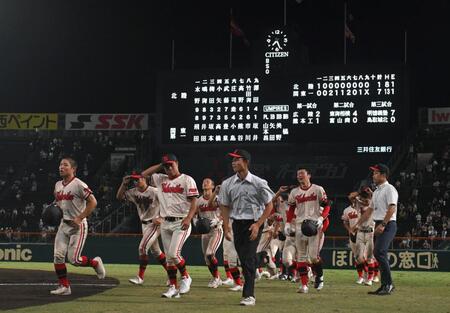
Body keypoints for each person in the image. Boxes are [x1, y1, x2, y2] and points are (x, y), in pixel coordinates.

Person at [219, 149, 274, 306]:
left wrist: (258, 224)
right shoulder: (227, 183)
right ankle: (261, 257)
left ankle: (249, 295)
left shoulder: (259, 183)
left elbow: (269, 205)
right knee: (243, 259)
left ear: (246, 162)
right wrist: (226, 225)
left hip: (253, 223)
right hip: (237, 224)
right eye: (233, 160)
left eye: (237, 159)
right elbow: (224, 205)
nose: (233, 162)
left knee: (248, 260)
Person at [141, 153, 199, 299]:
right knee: (168, 259)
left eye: (170, 165)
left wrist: (189, 218)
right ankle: (173, 287)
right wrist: (161, 165)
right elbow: (143, 175)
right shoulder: (160, 179)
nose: (168, 168)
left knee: (174, 254)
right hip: (165, 222)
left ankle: (186, 277)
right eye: (166, 166)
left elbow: (194, 201)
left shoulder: (187, 180)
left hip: (181, 222)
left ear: (177, 164)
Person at [51, 157, 106, 296]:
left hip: (78, 226)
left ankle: (95, 263)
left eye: (65, 165)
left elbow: (93, 202)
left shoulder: (79, 184)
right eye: (60, 164)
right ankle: (64, 286)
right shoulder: (58, 185)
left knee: (74, 260)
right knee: (58, 256)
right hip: (63, 224)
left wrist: (80, 217)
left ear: (73, 169)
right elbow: (57, 202)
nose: (61, 167)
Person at [284, 168, 330, 294]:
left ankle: (319, 276)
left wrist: (321, 217)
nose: (299, 176)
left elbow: (327, 204)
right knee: (301, 257)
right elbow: (292, 208)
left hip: (314, 224)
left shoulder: (317, 189)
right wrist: (288, 222)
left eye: (302, 174)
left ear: (309, 175)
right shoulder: (294, 192)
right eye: (298, 174)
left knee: (314, 258)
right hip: (299, 225)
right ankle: (304, 285)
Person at [116, 173, 167, 285]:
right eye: (134, 180)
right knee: (157, 252)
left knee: (142, 248)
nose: (136, 182)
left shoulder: (155, 191)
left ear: (145, 179)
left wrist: (162, 217)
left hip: (154, 224)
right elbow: (119, 197)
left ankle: (140, 277)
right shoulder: (133, 191)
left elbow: (167, 204)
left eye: (138, 179)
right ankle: (171, 274)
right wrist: (123, 184)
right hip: (144, 224)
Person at [355, 164, 398, 295]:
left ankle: (388, 284)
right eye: (374, 173)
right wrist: (357, 224)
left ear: (384, 175)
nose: (373, 175)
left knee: (379, 252)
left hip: (388, 224)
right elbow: (369, 211)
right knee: (379, 253)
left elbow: (392, 208)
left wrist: (383, 224)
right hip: (380, 223)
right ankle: (385, 285)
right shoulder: (378, 191)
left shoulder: (389, 189)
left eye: (376, 173)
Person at [196, 178, 224, 288]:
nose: (205, 184)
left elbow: (225, 212)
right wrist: (195, 222)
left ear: (212, 187)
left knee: (209, 253)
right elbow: (195, 213)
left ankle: (216, 278)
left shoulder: (218, 198)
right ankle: (216, 277)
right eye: (204, 184)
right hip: (205, 232)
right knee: (207, 258)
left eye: (208, 185)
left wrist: (218, 219)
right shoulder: (199, 200)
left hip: (216, 229)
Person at [342, 191, 364, 284]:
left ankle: (368, 275)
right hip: (353, 235)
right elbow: (345, 222)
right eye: (353, 198)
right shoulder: (347, 210)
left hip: (363, 234)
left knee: (363, 257)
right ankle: (361, 276)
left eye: (356, 197)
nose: (355, 199)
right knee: (357, 257)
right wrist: (349, 229)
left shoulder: (364, 208)